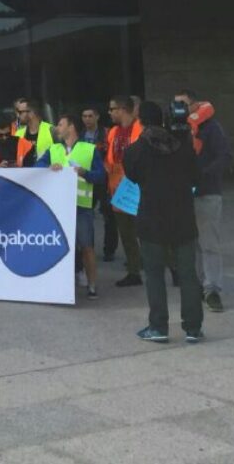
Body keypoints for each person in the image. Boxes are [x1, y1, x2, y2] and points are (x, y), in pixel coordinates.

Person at [124, 102, 203, 343]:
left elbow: (132, 176)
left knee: (155, 275)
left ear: (141, 122)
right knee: (188, 275)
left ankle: (158, 326)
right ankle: (193, 327)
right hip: (183, 219)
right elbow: (195, 176)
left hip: (152, 220)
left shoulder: (136, 150)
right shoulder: (183, 146)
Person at [36, 114, 106, 300]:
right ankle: (64, 283)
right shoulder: (53, 150)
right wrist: (48, 168)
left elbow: (100, 176)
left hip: (81, 206)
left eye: (60, 125)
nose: (57, 128)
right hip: (58, 206)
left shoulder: (89, 149)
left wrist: (85, 173)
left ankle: (92, 285)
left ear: (71, 127)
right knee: (61, 245)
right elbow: (38, 167)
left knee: (87, 247)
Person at [176, 89, 233, 313]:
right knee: (192, 243)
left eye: (183, 104)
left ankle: (212, 290)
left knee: (209, 244)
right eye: (176, 105)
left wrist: (203, 175)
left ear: (195, 105)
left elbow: (225, 157)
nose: (179, 109)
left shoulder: (211, 127)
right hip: (183, 194)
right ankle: (199, 285)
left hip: (207, 192)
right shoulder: (177, 130)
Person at [105, 95, 143, 287]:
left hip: (138, 188)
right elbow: (110, 159)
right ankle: (134, 272)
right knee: (127, 234)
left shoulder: (141, 129)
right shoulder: (112, 132)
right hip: (118, 190)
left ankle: (174, 268)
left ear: (122, 110)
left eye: (112, 109)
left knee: (148, 231)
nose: (110, 113)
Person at [81, 106, 117, 262]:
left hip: (104, 178)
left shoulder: (106, 133)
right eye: (84, 116)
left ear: (97, 117)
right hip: (86, 178)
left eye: (90, 116)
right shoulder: (80, 135)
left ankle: (109, 250)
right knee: (85, 214)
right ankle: (88, 248)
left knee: (108, 215)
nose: (87, 119)